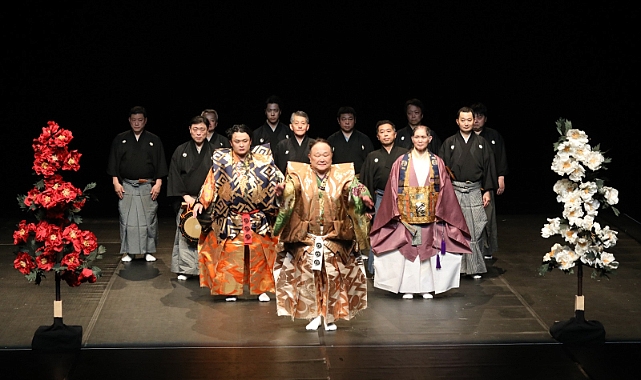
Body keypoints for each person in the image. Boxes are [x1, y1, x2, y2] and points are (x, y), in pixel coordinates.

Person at [273, 139, 373, 331]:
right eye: (317, 155)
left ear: (332, 156)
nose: (321, 158)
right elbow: (290, 188)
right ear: (309, 157)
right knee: (310, 277)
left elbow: (355, 187)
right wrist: (281, 193)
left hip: (334, 236)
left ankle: (329, 315)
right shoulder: (298, 174)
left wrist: (362, 195)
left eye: (325, 154)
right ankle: (315, 314)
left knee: (333, 277)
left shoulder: (343, 174)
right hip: (307, 237)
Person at [369, 125, 472, 298]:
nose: (420, 140)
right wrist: (396, 210)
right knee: (408, 250)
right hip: (406, 217)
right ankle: (408, 288)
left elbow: (445, 189)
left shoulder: (437, 162)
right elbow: (392, 188)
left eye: (423, 137)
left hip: (430, 216)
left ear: (429, 139)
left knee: (428, 250)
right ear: (412, 138)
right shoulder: (401, 162)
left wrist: (441, 210)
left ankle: (426, 287)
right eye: (417, 137)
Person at [192, 124, 282, 301]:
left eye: (245, 141)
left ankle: (261, 288)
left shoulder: (263, 159)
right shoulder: (221, 161)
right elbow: (211, 184)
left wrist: (281, 190)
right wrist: (201, 201)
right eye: (237, 141)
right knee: (231, 254)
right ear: (231, 143)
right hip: (231, 216)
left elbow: (279, 181)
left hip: (257, 215)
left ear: (251, 141)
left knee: (258, 254)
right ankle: (229, 289)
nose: (241, 145)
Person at [438, 107, 497, 279]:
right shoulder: (449, 143)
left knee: (476, 227)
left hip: (475, 189)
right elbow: (442, 170)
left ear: (474, 121)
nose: (466, 123)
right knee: (454, 228)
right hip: (455, 189)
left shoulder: (481, 143)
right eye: (462, 120)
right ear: (457, 121)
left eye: (469, 120)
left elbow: (489, 167)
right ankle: (454, 268)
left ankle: (475, 267)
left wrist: (487, 191)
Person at [107, 106, 168, 263]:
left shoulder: (154, 140)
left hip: (147, 184)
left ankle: (148, 250)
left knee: (148, 218)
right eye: (134, 120)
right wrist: (115, 182)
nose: (136, 123)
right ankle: (129, 251)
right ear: (129, 120)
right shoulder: (120, 139)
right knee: (127, 219)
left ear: (145, 121)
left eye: (140, 120)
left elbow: (160, 163)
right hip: (126, 184)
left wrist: (158, 183)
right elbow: (114, 162)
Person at [167, 116, 215, 281]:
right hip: (187, 199)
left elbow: (219, 177)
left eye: (202, 129)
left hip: (208, 200)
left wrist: (205, 199)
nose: (199, 133)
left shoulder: (215, 151)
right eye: (195, 129)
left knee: (208, 235)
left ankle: (206, 268)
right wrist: (186, 196)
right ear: (189, 130)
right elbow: (174, 175)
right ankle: (186, 269)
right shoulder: (181, 150)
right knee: (186, 235)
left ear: (207, 130)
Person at [359, 120, 408, 275]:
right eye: (382, 132)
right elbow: (366, 183)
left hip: (402, 198)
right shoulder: (372, 156)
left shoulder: (405, 154)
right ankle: (375, 269)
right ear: (377, 136)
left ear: (395, 134)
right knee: (379, 232)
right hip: (380, 197)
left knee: (402, 231)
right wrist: (367, 207)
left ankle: (401, 268)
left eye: (388, 131)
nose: (385, 134)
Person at [471, 102, 508, 260]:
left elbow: (501, 157)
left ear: (485, 119)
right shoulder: (464, 137)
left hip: (489, 181)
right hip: (471, 182)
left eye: (480, 117)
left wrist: (501, 177)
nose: (476, 120)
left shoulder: (493, 136)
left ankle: (488, 249)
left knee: (488, 216)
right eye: (474, 117)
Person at [326, 106, 374, 176]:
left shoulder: (364, 139)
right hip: (337, 177)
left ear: (355, 120)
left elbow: (370, 161)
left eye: (350, 119)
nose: (347, 122)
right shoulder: (331, 139)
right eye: (344, 119)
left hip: (359, 177)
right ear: (338, 121)